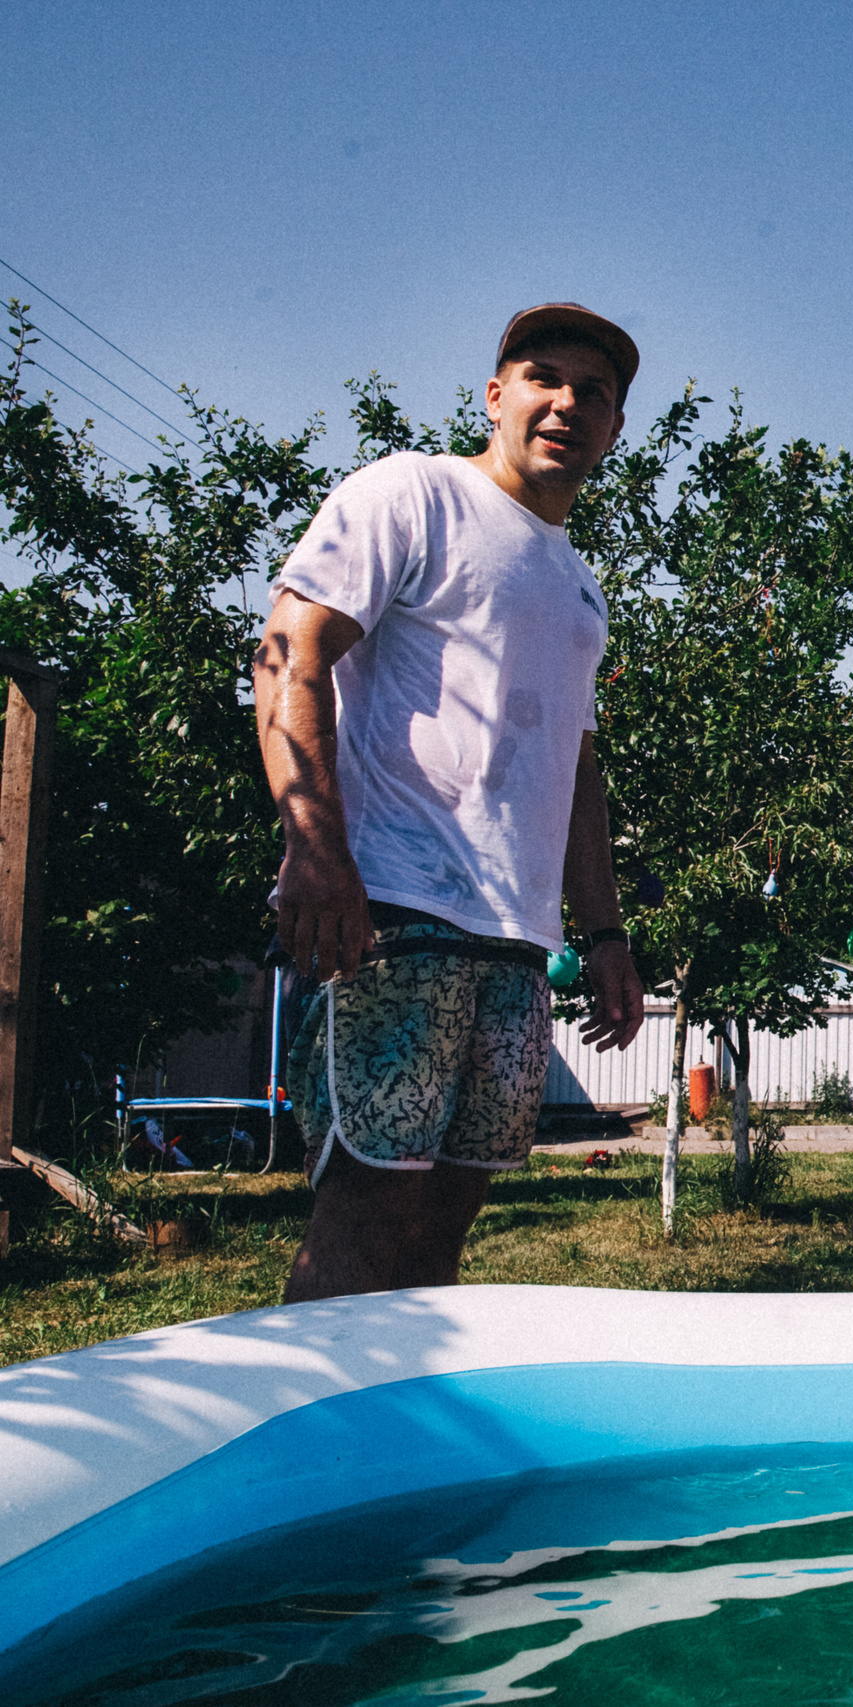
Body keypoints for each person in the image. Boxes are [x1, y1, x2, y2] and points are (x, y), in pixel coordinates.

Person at [255, 303, 650, 1302]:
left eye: (593, 393)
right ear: (495, 395)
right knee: (370, 1206)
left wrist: (602, 933)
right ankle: (303, 1441)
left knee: (448, 1215)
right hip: (392, 908)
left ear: (613, 428)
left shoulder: (578, 587)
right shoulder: (413, 492)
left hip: (515, 939)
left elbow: (578, 768)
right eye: (543, 378)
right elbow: (288, 653)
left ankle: (396, 1453)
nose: (566, 403)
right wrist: (314, 848)